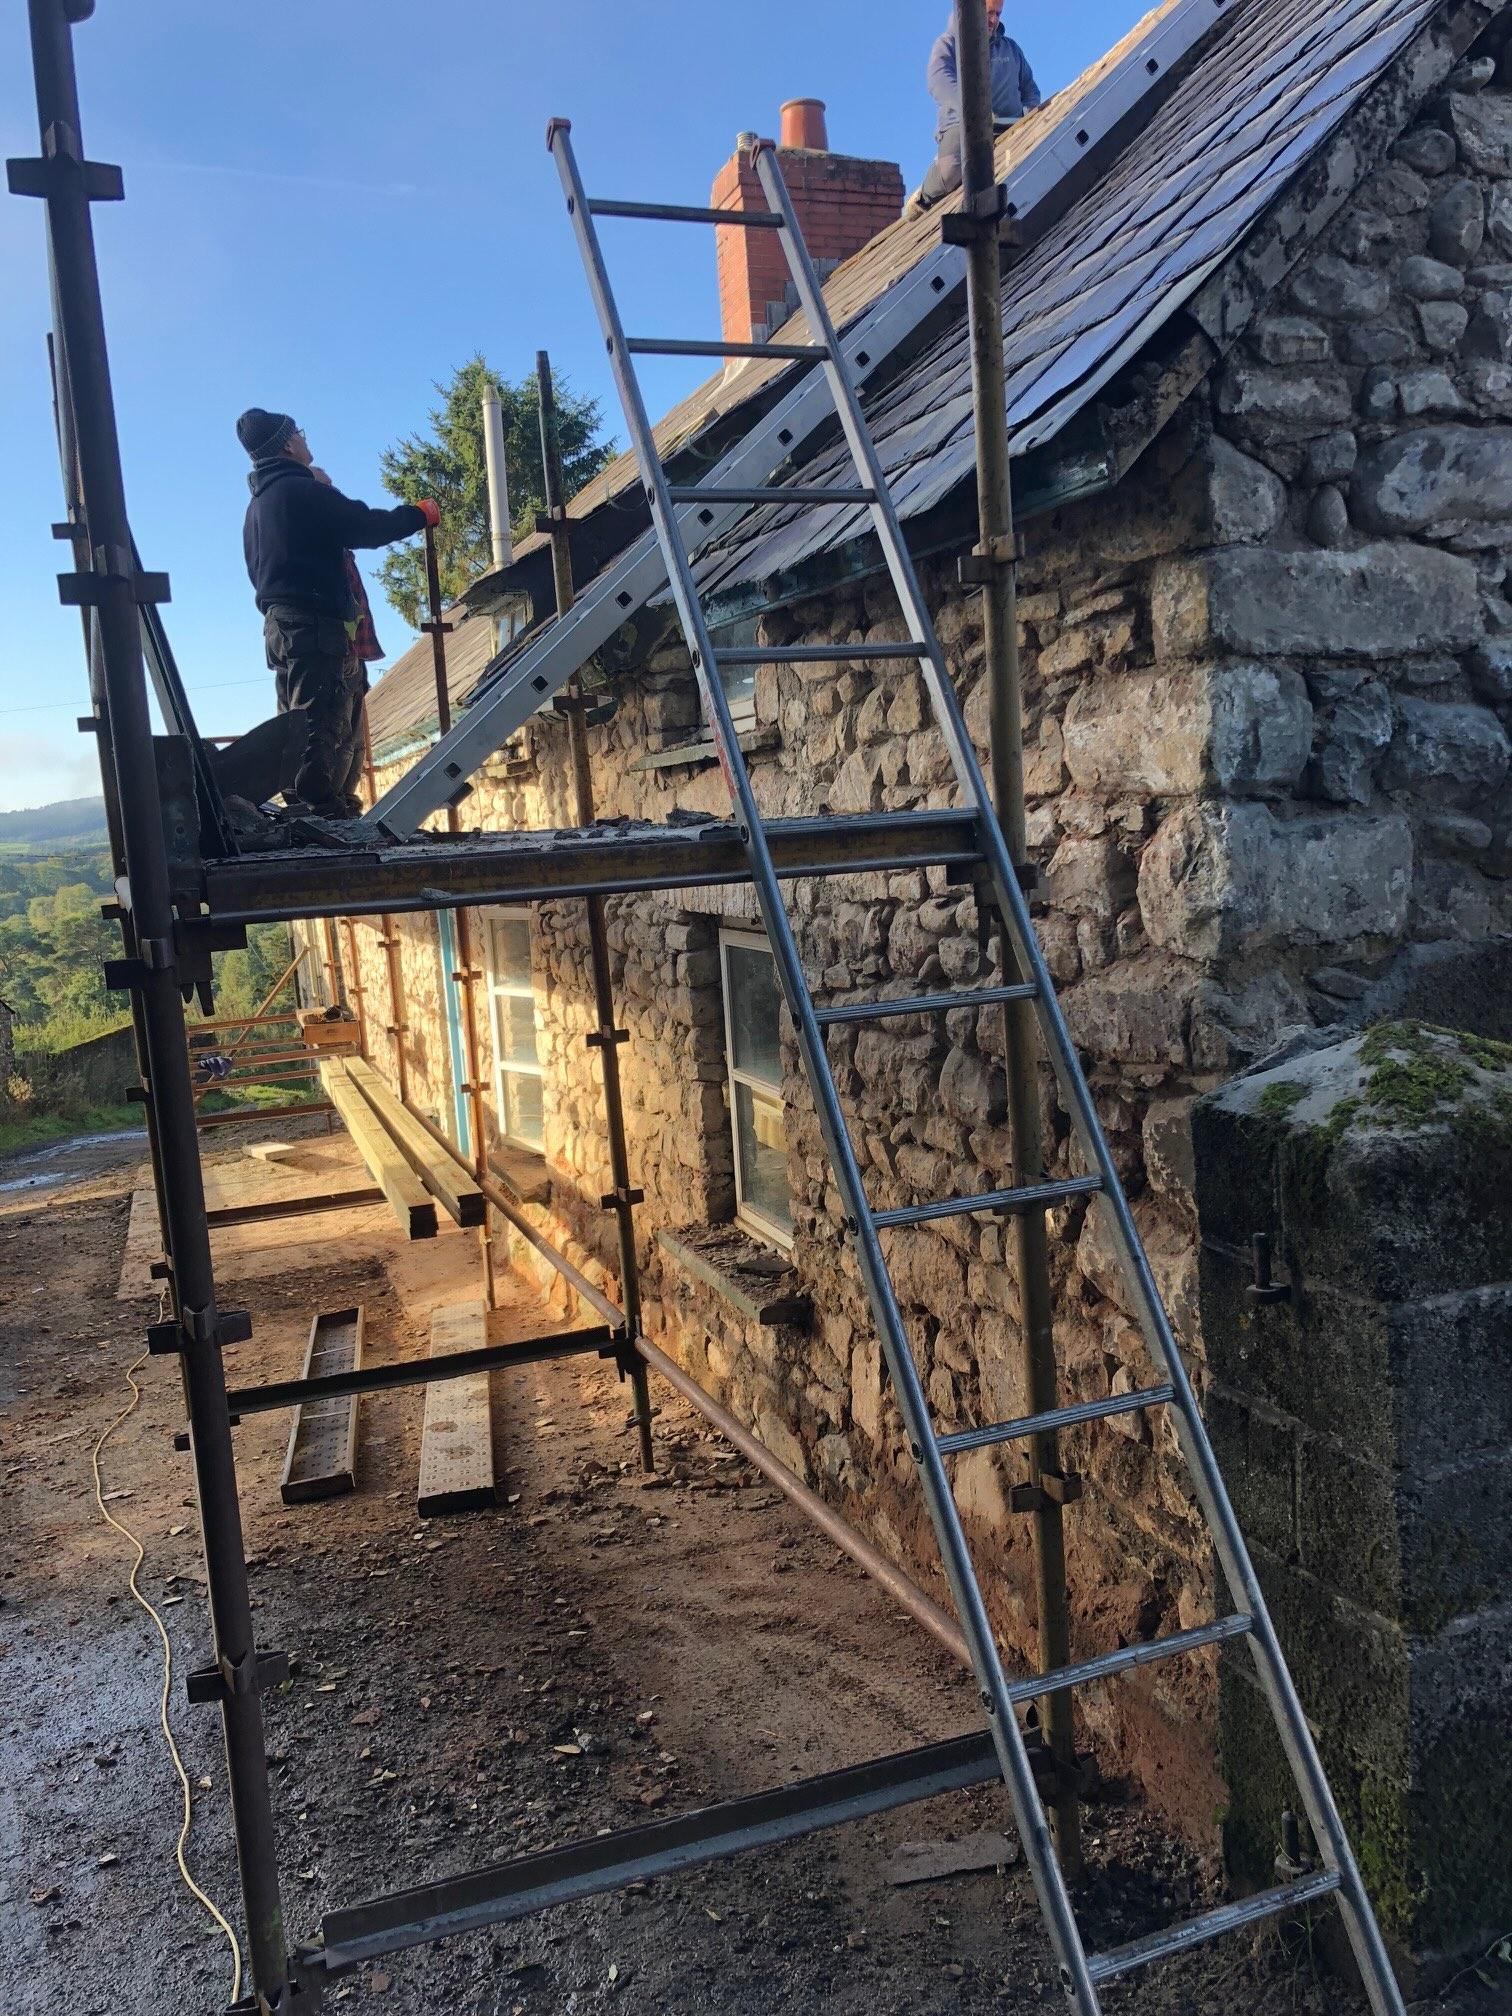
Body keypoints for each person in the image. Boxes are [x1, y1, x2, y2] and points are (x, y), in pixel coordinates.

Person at [237, 407, 438, 819]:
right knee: (324, 723)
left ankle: (315, 806)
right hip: (315, 627)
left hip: (282, 629)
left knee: (298, 722)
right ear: (289, 444)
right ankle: (324, 814)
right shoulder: (302, 493)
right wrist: (418, 514)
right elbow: (364, 526)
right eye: (301, 434)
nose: (307, 441)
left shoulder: (258, 507)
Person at [905, 1, 1042, 219]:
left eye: (998, 14)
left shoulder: (1010, 49)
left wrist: (1030, 109)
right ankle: (924, 197)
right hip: (963, 127)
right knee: (952, 171)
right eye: (989, 13)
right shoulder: (949, 44)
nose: (994, 20)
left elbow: (1029, 87)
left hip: (1010, 124)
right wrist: (973, 112)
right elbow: (939, 81)